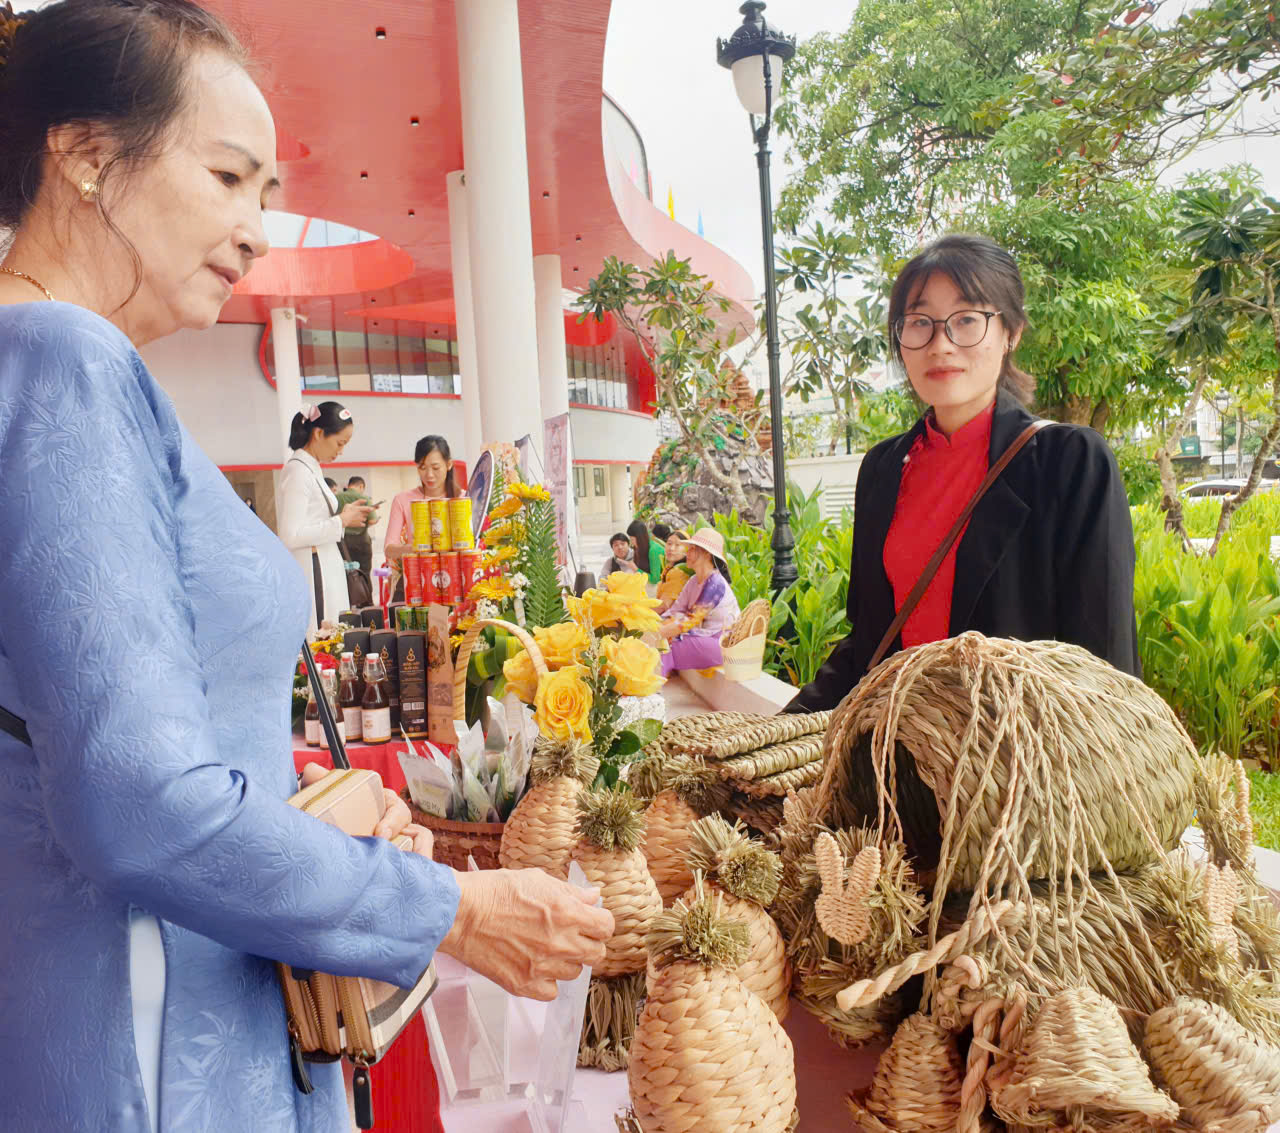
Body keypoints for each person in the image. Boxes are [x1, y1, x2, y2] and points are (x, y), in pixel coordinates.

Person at [0, 4, 612, 1131]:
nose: (254, 229)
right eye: (229, 177)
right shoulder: (62, 358)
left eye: (267, 195)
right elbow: (135, 801)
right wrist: (454, 907)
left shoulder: (73, 367)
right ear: (86, 157)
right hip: (151, 1028)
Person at [785, 233, 1139, 714]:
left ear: (1011, 332)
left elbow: (1104, 663)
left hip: (1021, 766)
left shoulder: (1069, 461)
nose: (941, 345)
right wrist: (770, 735)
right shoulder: (883, 469)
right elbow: (868, 642)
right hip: (906, 760)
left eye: (967, 320)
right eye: (919, 323)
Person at [278, 401, 371, 634]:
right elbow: (290, 535)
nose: (341, 451)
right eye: (340, 443)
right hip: (314, 573)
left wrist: (342, 519)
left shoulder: (310, 468)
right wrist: (341, 521)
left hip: (323, 566)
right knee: (323, 643)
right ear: (318, 433)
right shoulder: (299, 471)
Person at [658, 528, 741, 676]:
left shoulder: (715, 584)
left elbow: (689, 620)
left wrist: (659, 633)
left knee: (666, 647)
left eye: (692, 549)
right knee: (663, 644)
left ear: (707, 554)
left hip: (722, 644)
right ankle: (651, 689)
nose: (687, 553)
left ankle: (651, 690)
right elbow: (676, 611)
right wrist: (654, 624)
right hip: (704, 637)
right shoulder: (693, 580)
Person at [383, 435, 456, 599]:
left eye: (436, 468)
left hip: (456, 584)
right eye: (422, 467)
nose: (429, 475)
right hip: (418, 585)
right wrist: (418, 547)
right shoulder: (403, 500)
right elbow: (389, 549)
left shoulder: (462, 500)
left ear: (449, 464)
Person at [336, 473, 376, 573]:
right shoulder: (365, 499)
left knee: (345, 573)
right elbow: (372, 520)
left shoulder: (337, 497)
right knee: (364, 572)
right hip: (361, 541)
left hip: (343, 541)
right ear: (361, 486)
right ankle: (364, 588)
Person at [656, 527, 694, 612]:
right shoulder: (669, 568)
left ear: (687, 549)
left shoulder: (679, 572)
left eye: (677, 545)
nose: (671, 548)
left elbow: (664, 606)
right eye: (669, 543)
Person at [628, 517, 663, 585]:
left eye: (632, 539)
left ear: (640, 538)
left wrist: (636, 569)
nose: (631, 543)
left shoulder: (654, 550)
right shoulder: (640, 547)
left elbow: (655, 579)